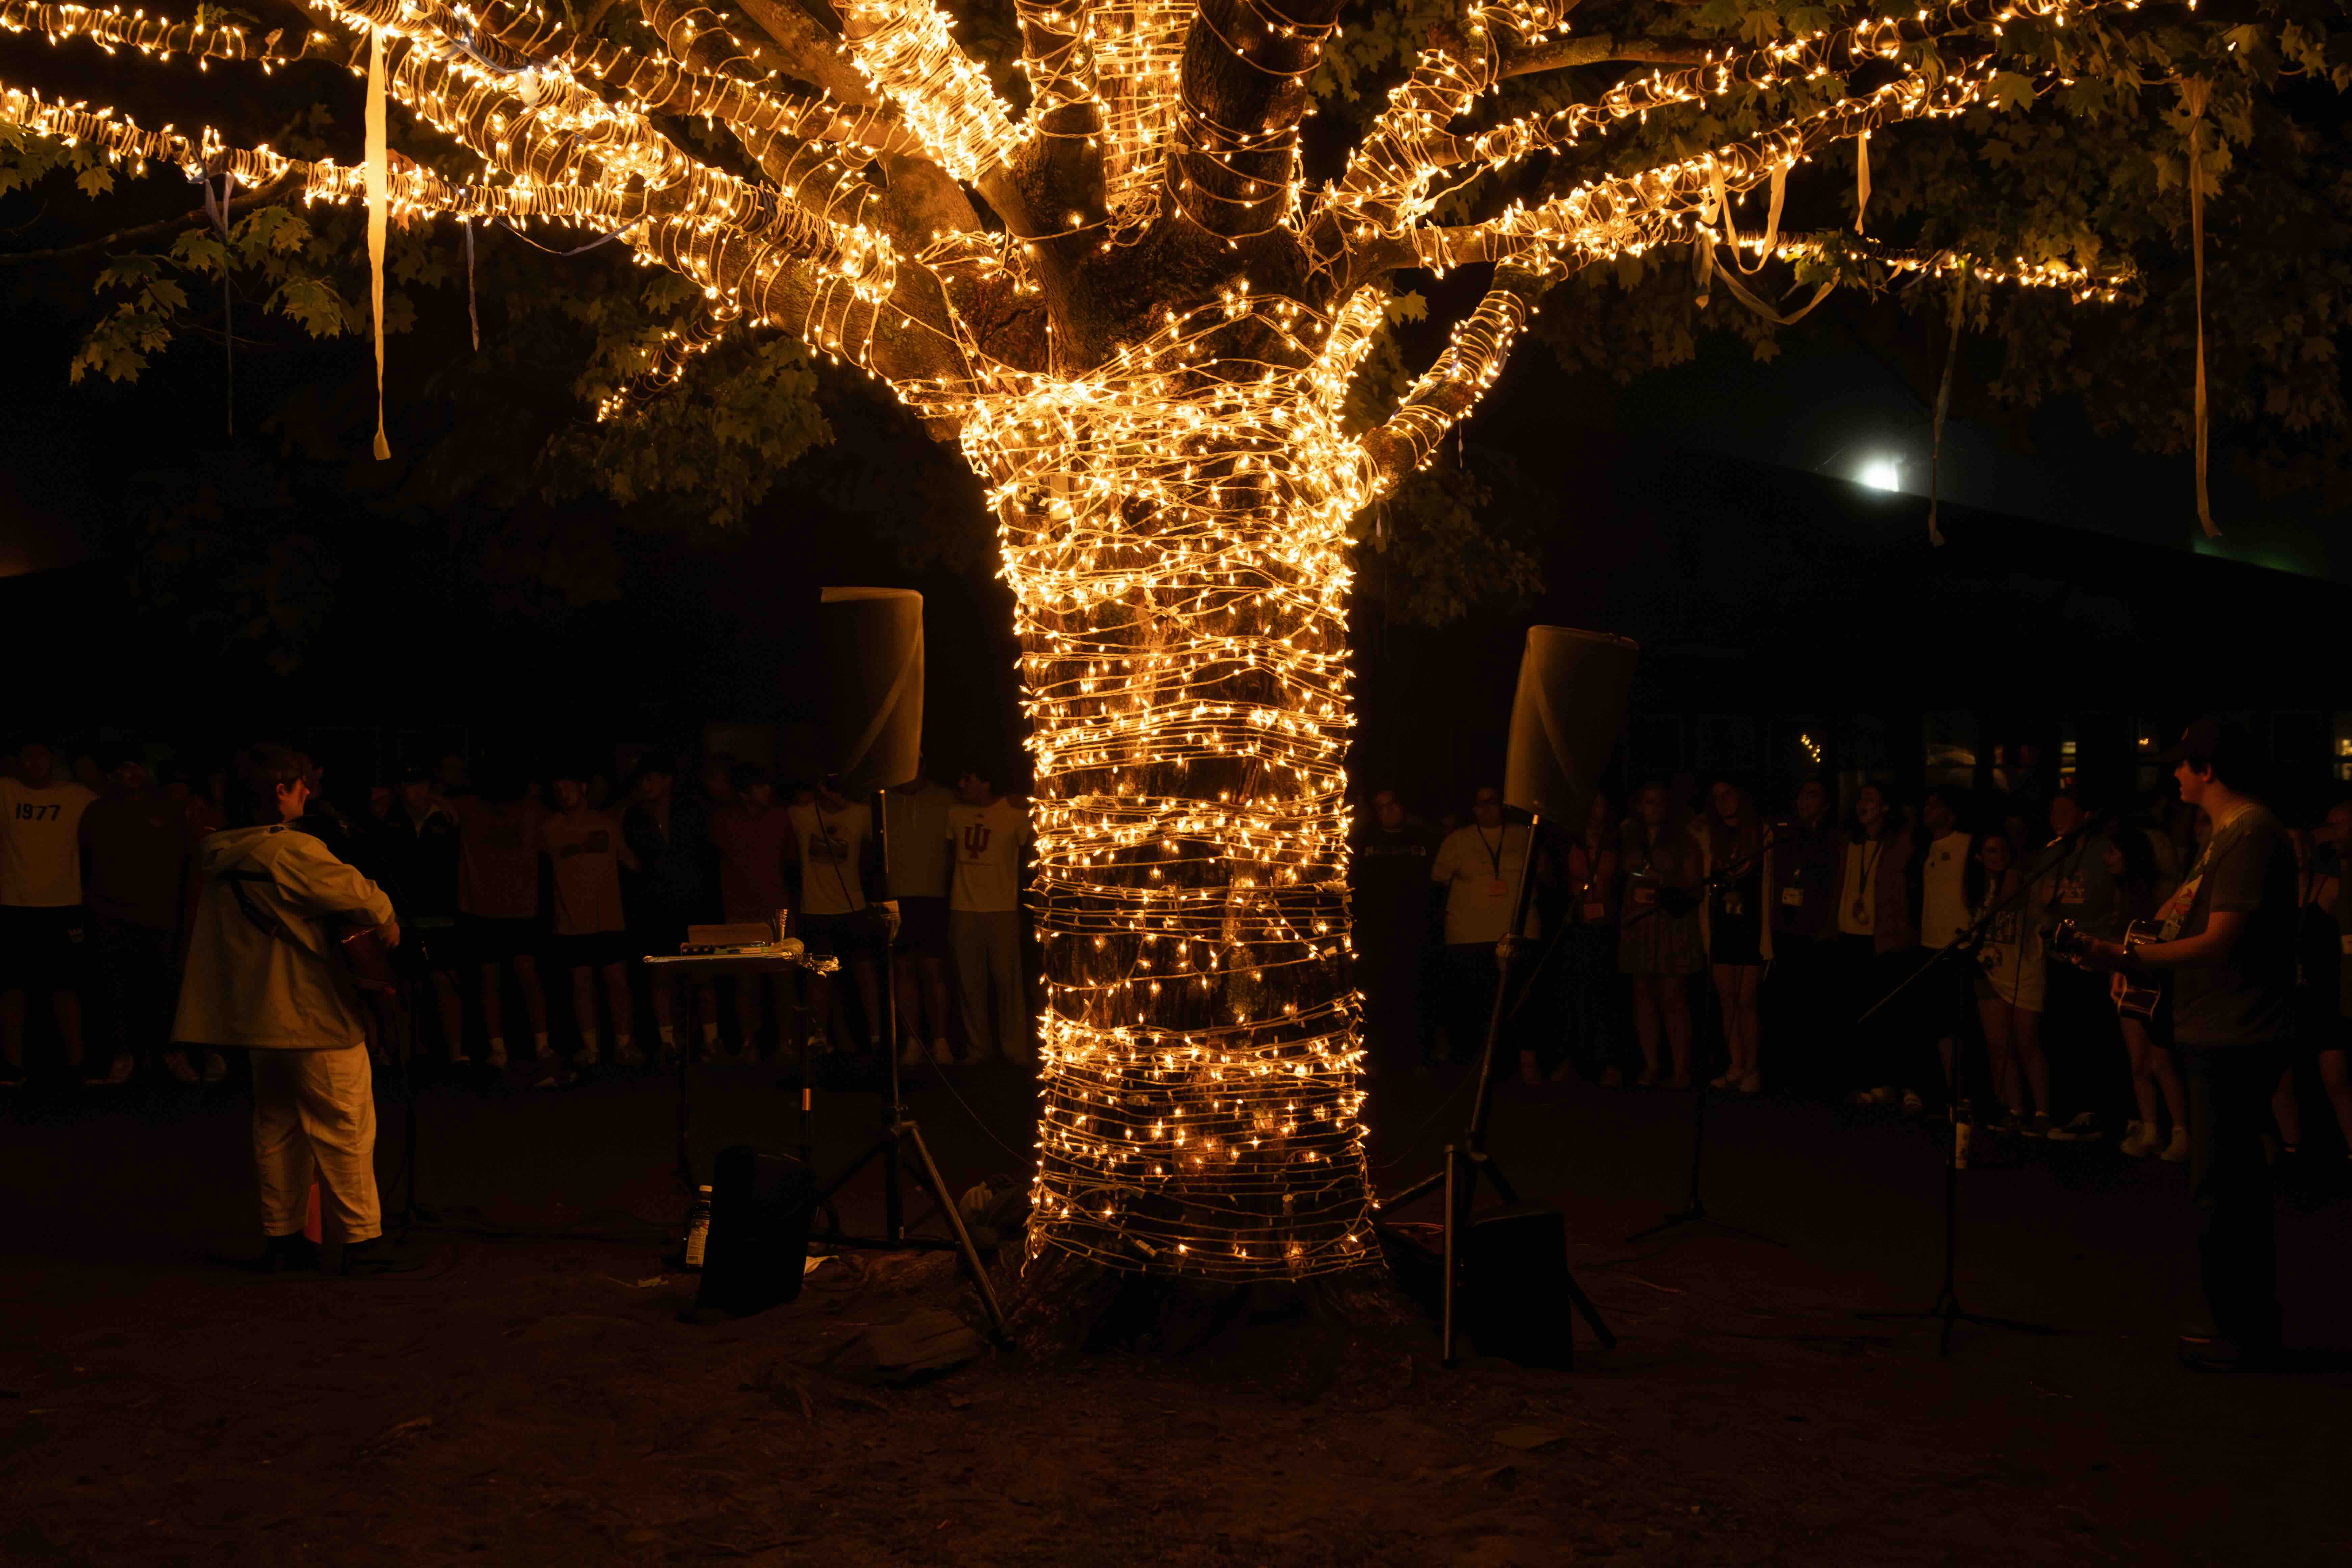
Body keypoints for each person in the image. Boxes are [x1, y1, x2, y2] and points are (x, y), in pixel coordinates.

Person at [2077, 718, 2300, 1370]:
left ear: (2208, 770)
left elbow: (2220, 939)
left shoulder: (2252, 834)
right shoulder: (2228, 837)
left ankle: (2246, 1331)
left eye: (2182, 765)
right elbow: (2187, 919)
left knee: (2226, 1187)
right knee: (2222, 1182)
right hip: (2218, 1025)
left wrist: (2127, 959)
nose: (2172, 775)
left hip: (2237, 1031)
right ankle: (2239, 1322)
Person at [170, 746, 422, 1274]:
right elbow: (364, 896)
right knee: (345, 1123)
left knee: (278, 1125)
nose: (308, 792)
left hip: (261, 1017)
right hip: (313, 1012)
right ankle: (360, 1242)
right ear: (280, 792)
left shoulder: (220, 851)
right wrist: (388, 918)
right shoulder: (290, 851)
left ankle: (283, 1241)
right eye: (301, 784)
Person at [79, 748, 195, 1086]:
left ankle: (169, 1052)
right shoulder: (98, 811)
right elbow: (86, 861)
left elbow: (185, 859)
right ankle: (123, 1054)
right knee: (117, 989)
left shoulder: (166, 810)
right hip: (112, 914)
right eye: (124, 767)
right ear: (112, 775)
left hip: (159, 914)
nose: (132, 773)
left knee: (164, 987)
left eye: (137, 766)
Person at [1, 737, 99, 1086]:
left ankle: (77, 1063)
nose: (35, 762)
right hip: (13, 904)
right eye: (27, 754)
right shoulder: (6, 791)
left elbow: (110, 812)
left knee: (66, 986)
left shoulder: (75, 794)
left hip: (63, 904)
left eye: (41, 754)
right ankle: (12, 1065)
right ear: (18, 760)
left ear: (51, 760)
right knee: (12, 987)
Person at [1431, 785, 1542, 1070]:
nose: (1485, 809)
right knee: (1477, 1002)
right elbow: (1438, 882)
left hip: (1518, 933)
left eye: (1492, 803)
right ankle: (1480, 1063)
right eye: (1480, 804)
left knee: (1521, 1000)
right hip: (1470, 936)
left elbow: (1545, 876)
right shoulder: (1458, 841)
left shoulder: (1524, 835)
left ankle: (1526, 1062)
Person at [544, 766, 643, 1073]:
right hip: (571, 920)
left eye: (568, 784)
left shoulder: (607, 824)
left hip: (609, 919)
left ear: (583, 787)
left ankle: (625, 1045)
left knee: (617, 983)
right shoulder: (548, 828)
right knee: (581, 984)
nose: (563, 791)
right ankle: (590, 1048)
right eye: (557, 786)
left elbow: (631, 861)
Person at [621, 753, 718, 1059]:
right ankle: (668, 1040)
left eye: (651, 778)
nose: (646, 785)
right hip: (655, 907)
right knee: (661, 973)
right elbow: (635, 862)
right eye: (643, 780)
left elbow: (705, 853)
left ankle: (710, 1039)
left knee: (702, 974)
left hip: (694, 904)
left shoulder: (691, 811)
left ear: (668, 781)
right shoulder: (635, 816)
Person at [1834, 781, 1922, 1109]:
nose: (1862, 804)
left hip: (1887, 940)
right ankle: (1875, 1083)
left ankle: (1906, 1085)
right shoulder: (1850, 842)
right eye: (1860, 798)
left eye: (1870, 799)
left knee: (1893, 1017)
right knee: (1862, 1016)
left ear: (1886, 807)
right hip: (1850, 937)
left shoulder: (1900, 841)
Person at [456, 762, 550, 1069]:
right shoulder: (470, 806)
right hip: (489, 909)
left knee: (519, 977)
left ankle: (536, 1045)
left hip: (516, 908)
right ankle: (509, 1048)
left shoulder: (531, 810)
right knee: (496, 980)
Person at [2105, 826, 2188, 1161]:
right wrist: (2116, 972)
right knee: (2137, 1059)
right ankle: (2151, 1128)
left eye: (2112, 851)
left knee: (2160, 1060)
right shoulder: (2121, 891)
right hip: (2130, 980)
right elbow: (2121, 937)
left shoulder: (2164, 890)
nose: (2107, 858)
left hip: (2159, 982)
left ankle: (2183, 1131)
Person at [374, 765, 467, 1067]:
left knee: (445, 984)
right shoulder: (388, 818)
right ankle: (408, 1052)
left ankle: (456, 1053)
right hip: (401, 917)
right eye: (410, 784)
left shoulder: (447, 817)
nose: (417, 792)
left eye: (422, 784)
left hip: (442, 915)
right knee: (403, 985)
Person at [2038, 793, 2117, 1141]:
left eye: (2066, 811)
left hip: (2096, 956)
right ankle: (2070, 1110)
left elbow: (2121, 896)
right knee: (2064, 1036)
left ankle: (2099, 1114)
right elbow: (2041, 899)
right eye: (2053, 810)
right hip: (2060, 957)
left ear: (2086, 814)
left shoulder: (2104, 850)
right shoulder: (2053, 851)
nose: (2058, 816)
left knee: (2093, 1038)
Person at [789, 775, 885, 1056]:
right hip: (815, 910)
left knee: (865, 972)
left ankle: (878, 1036)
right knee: (820, 978)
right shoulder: (800, 815)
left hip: (853, 907)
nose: (838, 799)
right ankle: (821, 1037)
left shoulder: (861, 815)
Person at [1971, 830, 2056, 1136]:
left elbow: (2011, 905)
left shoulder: (2021, 881)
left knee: (2028, 1043)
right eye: (1990, 851)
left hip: (2024, 968)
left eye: (2002, 850)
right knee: (1999, 1046)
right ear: (1980, 857)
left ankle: (2044, 1111)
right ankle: (2013, 1109)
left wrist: (2009, 878)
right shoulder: (1974, 887)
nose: (1998, 857)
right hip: (1989, 970)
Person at [1352, 788, 1440, 1078]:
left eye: (1393, 804)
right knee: (1378, 997)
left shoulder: (1425, 841)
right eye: (1381, 807)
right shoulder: (1364, 843)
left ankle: (1420, 1058)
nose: (1388, 811)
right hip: (1377, 936)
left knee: (1418, 995)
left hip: (1416, 933)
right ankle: (1378, 1058)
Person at [947, 765, 1031, 1062]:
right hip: (963, 908)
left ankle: (1014, 1048)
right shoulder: (954, 813)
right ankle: (977, 1048)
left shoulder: (1015, 813)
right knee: (969, 984)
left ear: (986, 782)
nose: (961, 783)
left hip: (1002, 909)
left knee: (1007, 982)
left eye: (968, 777)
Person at [1616, 782, 1697, 1088]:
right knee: (1643, 996)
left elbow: (1694, 885)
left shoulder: (1683, 839)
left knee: (1674, 996)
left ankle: (1681, 1069)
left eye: (1660, 802)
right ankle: (1651, 1066)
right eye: (1649, 802)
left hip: (1669, 923)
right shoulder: (1627, 838)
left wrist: (1663, 882)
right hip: (1638, 924)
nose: (1655, 808)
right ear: (1639, 806)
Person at [713, 761, 795, 1061]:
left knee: (782, 979)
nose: (768, 791)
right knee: (745, 981)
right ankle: (749, 1042)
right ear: (745, 792)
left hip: (776, 910)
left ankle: (783, 1042)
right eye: (761, 786)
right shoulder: (724, 820)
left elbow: (790, 858)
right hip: (740, 910)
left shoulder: (780, 817)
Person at [1762, 778, 1838, 1093]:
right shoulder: (1785, 833)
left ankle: (1811, 1076)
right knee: (1785, 1003)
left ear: (1827, 804)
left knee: (1811, 1005)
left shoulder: (1831, 839)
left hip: (1814, 933)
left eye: (1813, 795)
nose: (1805, 801)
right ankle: (1785, 1073)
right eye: (1802, 795)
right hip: (1785, 928)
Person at [1694, 780, 1766, 1094]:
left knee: (1747, 1001)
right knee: (1728, 1001)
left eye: (1729, 794)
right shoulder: (1712, 836)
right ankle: (1736, 1065)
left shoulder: (1761, 834)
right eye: (1717, 797)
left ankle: (1753, 1068)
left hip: (1751, 929)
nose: (1723, 801)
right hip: (1723, 928)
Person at [884, 766, 958, 1066]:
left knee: (933, 971)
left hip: (934, 895)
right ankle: (912, 1043)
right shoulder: (883, 800)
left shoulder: (947, 799)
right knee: (903, 971)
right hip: (895, 898)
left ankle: (941, 1043)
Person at [1550, 788, 1622, 1086]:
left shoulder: (1618, 840)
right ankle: (1572, 1060)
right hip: (1576, 928)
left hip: (1608, 927)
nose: (1596, 809)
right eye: (1590, 803)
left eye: (1600, 802)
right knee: (1574, 994)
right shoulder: (1567, 840)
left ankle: (1610, 1063)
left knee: (1606, 995)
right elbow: (1554, 878)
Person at [1914, 787, 1975, 1108]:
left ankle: (1962, 1093)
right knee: (1938, 1023)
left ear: (1951, 813)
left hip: (1958, 944)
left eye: (1935, 803)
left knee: (1957, 1023)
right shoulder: (1924, 849)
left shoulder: (1967, 844)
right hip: (1929, 944)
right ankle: (1945, 1091)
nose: (1927, 808)